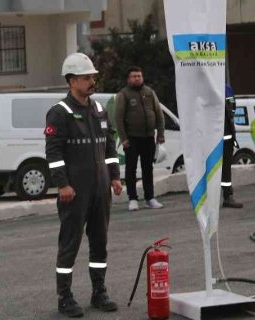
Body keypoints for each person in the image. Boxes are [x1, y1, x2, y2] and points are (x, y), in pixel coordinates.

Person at [45, 53, 123, 317]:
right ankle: (64, 297)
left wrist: (114, 175)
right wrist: (63, 184)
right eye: (87, 77)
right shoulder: (60, 113)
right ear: (72, 80)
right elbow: (53, 154)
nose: (92, 81)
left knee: (100, 242)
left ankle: (99, 292)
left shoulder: (99, 109)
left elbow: (109, 146)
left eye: (92, 77)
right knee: (70, 243)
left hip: (101, 188)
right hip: (74, 191)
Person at [114, 66, 165, 212]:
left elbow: (158, 114)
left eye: (139, 76)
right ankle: (133, 199)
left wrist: (160, 134)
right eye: (134, 76)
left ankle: (150, 198)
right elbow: (118, 118)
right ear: (128, 79)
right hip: (131, 138)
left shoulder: (149, 92)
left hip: (148, 137)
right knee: (131, 169)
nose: (137, 78)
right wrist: (123, 138)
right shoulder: (123, 94)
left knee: (148, 168)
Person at [221, 85, 243, 208]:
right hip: (213, 138)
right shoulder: (208, 87)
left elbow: (232, 109)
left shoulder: (227, 88)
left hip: (227, 136)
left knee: (226, 169)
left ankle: (228, 196)